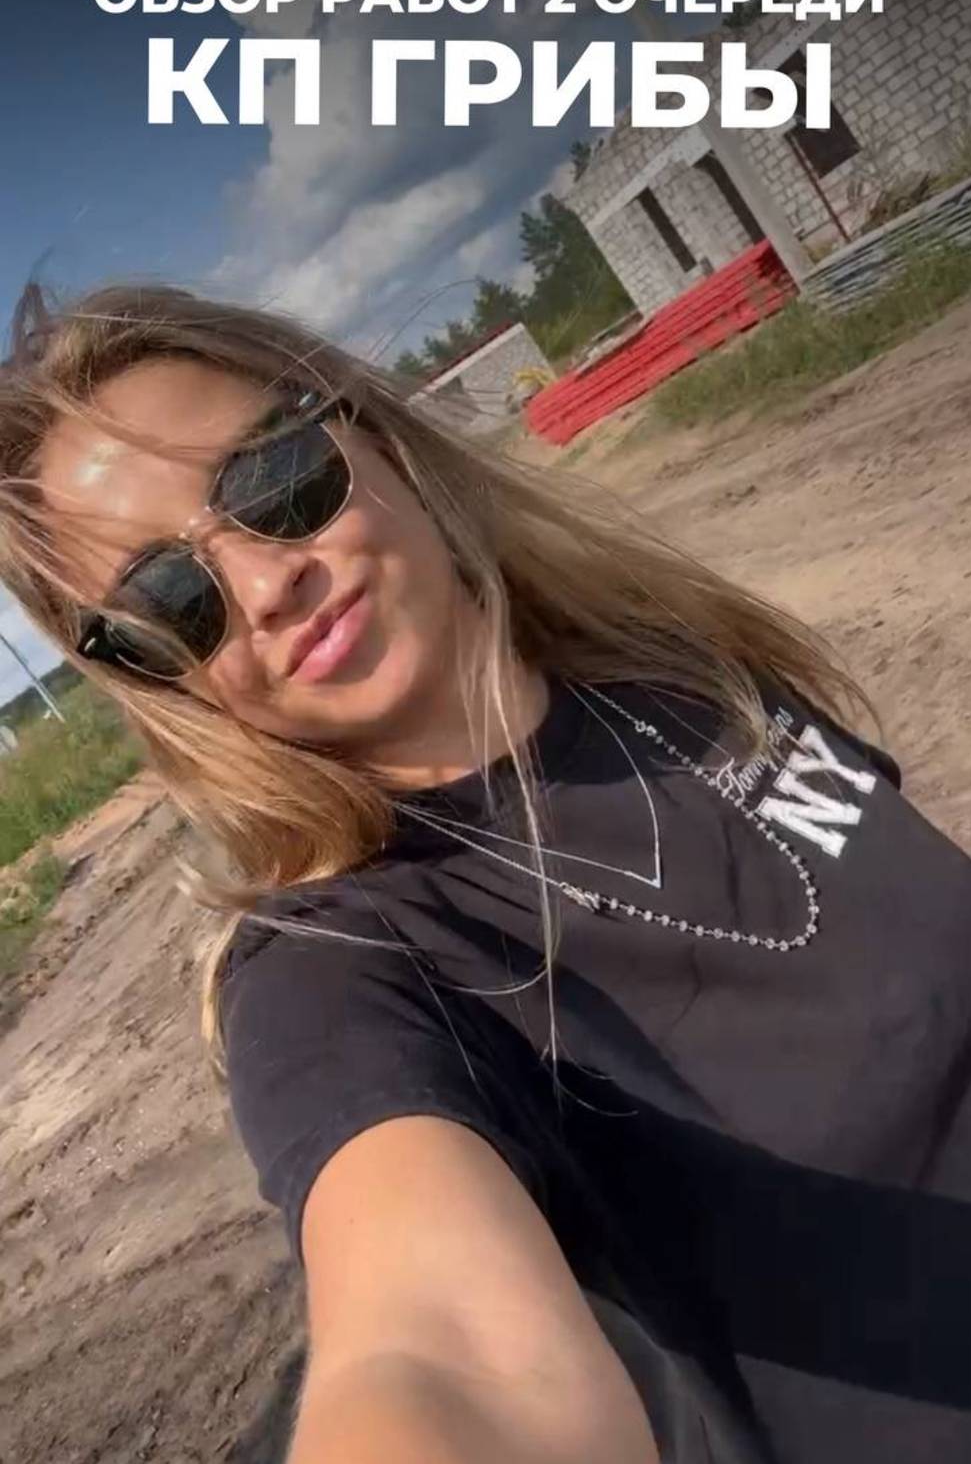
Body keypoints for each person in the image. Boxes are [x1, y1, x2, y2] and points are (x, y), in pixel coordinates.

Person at [1, 283, 969, 1464]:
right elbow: (434, 1348)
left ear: (366, 429)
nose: (263, 585)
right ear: (161, 680)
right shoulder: (338, 969)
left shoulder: (678, 670)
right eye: (170, 604)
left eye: (268, 480)